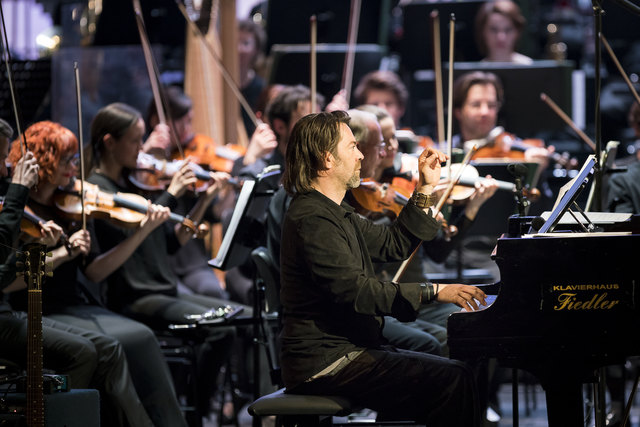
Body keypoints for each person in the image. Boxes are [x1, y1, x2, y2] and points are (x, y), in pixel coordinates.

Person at [279, 110, 487, 425]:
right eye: (352, 147)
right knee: (452, 379)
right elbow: (359, 292)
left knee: (448, 374)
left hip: (347, 350)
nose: (362, 154)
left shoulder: (335, 212)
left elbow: (393, 244)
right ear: (327, 160)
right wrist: (433, 291)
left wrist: (425, 190)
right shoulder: (313, 218)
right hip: (326, 361)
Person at [0, 119, 167, 427]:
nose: (75, 167)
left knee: (117, 347)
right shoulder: (17, 210)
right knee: (107, 347)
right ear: (45, 161)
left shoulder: (69, 206)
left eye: (76, 159)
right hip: (35, 308)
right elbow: (6, 281)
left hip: (72, 304)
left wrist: (140, 232)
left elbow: (94, 271)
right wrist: (59, 252)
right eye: (67, 160)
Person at [86, 102, 239, 415]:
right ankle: (197, 410)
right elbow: (134, 237)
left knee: (236, 317)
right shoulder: (99, 192)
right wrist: (170, 194)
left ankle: (195, 403)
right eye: (135, 140)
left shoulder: (134, 185)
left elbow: (172, 241)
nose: (142, 149)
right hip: (134, 296)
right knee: (222, 329)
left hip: (163, 290)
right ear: (109, 142)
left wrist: (203, 200)